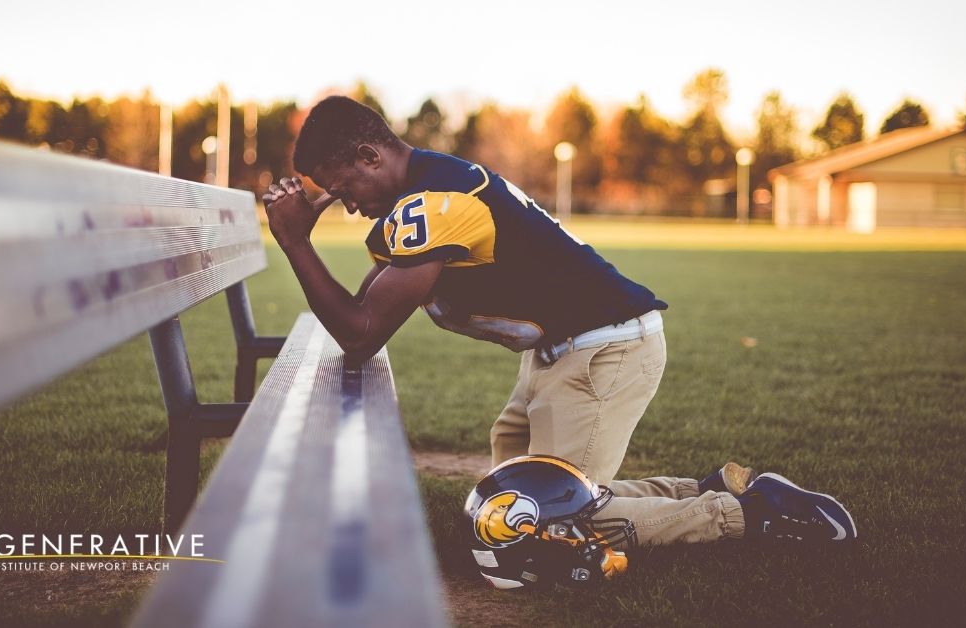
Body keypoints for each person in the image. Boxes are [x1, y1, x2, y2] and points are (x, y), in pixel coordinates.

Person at [262, 96, 856, 558]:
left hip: (603, 350)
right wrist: (301, 243)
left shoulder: (432, 201)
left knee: (553, 520)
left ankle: (754, 515)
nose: (346, 203)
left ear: (371, 156)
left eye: (344, 188)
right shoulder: (423, 191)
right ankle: (708, 488)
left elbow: (362, 332)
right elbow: (362, 312)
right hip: (564, 351)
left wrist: (293, 242)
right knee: (511, 502)